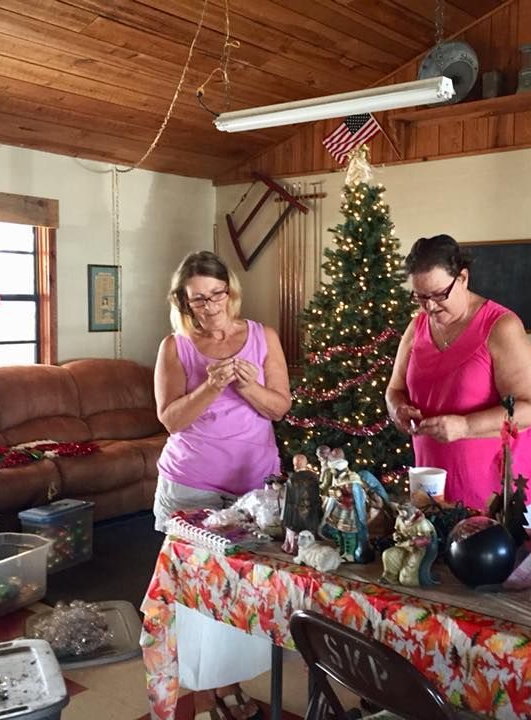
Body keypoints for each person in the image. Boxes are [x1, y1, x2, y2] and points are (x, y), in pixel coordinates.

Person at [153, 250, 291, 720]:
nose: (210, 307)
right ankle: (213, 689)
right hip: (191, 488)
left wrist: (248, 386)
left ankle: (229, 678)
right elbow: (171, 420)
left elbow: (279, 408)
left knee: (245, 591)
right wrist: (210, 387)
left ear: (230, 292)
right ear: (184, 303)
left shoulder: (261, 336)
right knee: (195, 597)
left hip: (255, 491)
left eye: (217, 295)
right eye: (198, 300)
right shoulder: (175, 347)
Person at [386, 235, 531, 521]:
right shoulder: (417, 326)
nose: (431, 307)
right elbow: (394, 389)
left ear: (463, 277)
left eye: (439, 294)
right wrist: (398, 410)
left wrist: (465, 426)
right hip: (435, 485)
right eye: (421, 297)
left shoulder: (500, 326)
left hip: (497, 490)